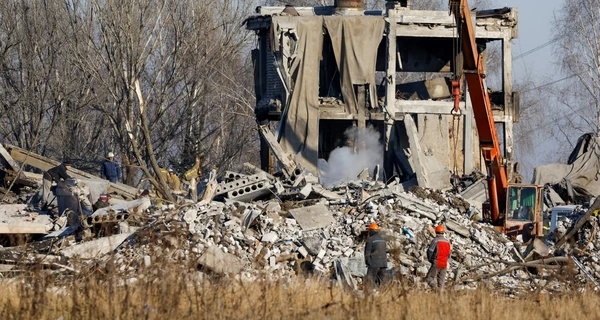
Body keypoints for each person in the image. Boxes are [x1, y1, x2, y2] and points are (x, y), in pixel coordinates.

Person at [426, 225, 452, 291]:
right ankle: (442, 297)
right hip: (444, 264)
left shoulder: (435, 240)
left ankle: (436, 290)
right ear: (443, 232)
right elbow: (449, 255)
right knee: (441, 282)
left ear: (436, 232)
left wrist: (431, 260)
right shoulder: (447, 242)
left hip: (437, 262)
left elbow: (430, 251)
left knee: (429, 278)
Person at [364, 223, 387, 287]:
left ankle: (370, 295)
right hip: (383, 264)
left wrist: (367, 263)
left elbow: (367, 253)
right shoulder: (382, 240)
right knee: (381, 283)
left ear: (371, 231)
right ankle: (382, 295)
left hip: (374, 263)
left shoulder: (370, 240)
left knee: (370, 281)